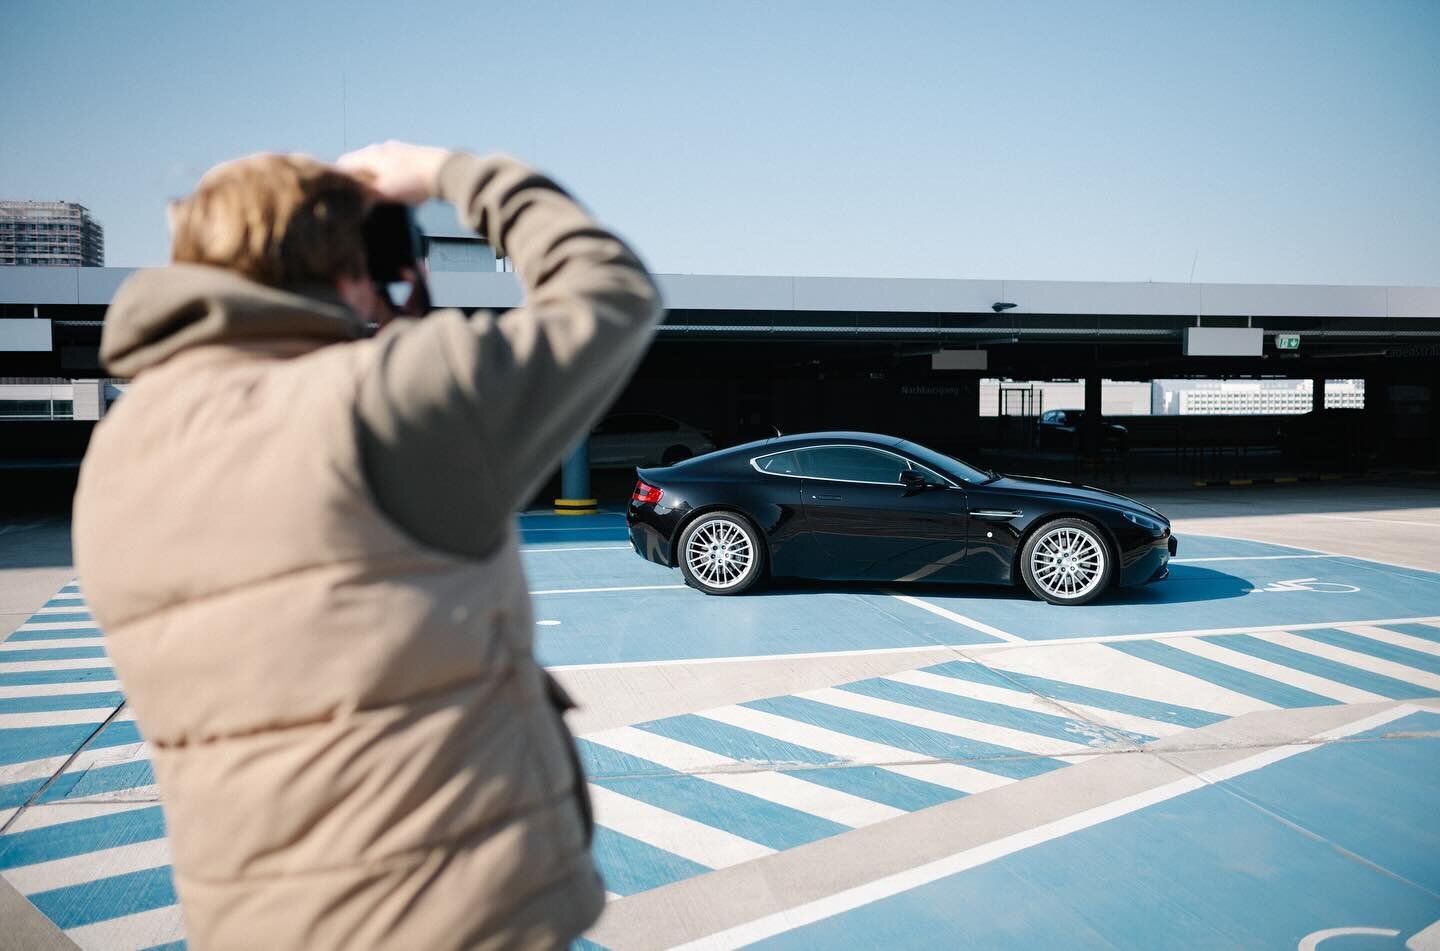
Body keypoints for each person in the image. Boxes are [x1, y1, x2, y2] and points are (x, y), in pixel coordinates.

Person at [71, 142, 662, 949]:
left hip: (247, 920)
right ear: (352, 263)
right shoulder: (379, 397)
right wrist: (452, 171)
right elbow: (611, 292)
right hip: (455, 915)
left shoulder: (119, 454)